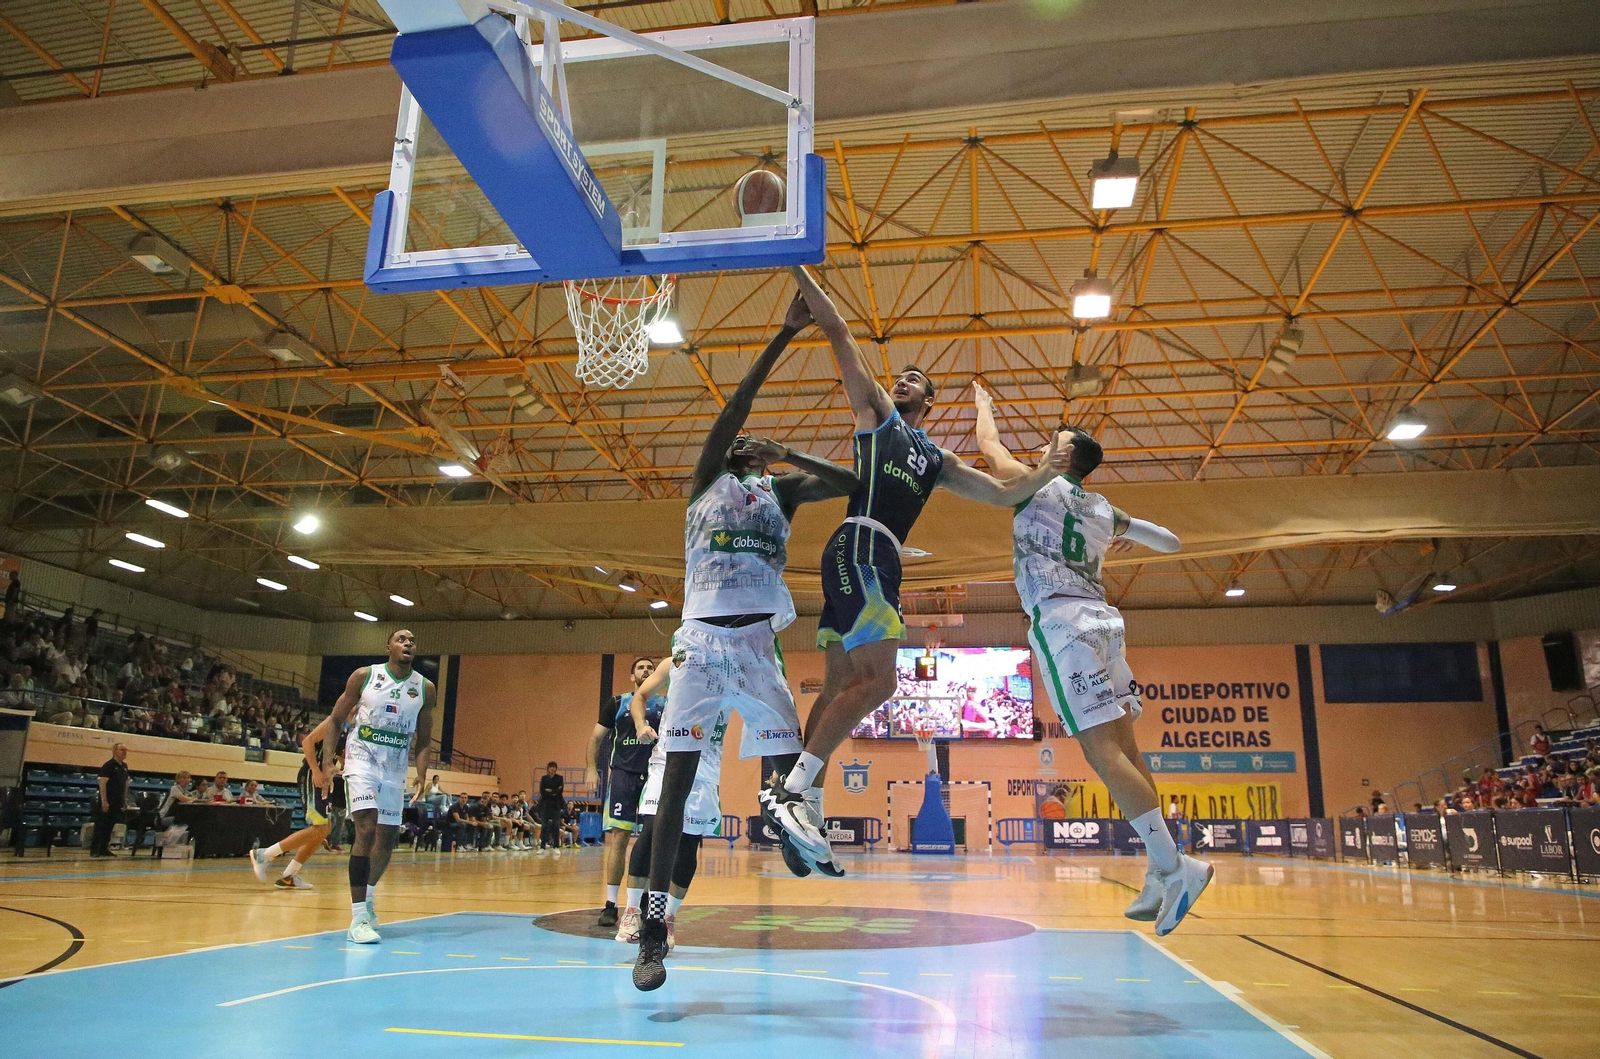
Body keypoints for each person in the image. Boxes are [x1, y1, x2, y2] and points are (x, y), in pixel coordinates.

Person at [762, 267, 1064, 872]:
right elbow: (841, 332)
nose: (901, 381)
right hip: (864, 548)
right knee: (883, 683)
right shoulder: (877, 415)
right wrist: (798, 262)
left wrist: (1049, 467)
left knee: (845, 681)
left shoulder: (936, 457)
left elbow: (1006, 495)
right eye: (900, 375)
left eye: (915, 381)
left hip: (861, 558)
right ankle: (793, 793)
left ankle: (800, 802)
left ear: (931, 402)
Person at [633, 290, 861, 991]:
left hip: (761, 647)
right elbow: (732, 411)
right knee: (673, 785)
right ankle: (650, 934)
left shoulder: (780, 493)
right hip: (700, 647)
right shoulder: (706, 483)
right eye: (737, 443)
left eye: (748, 446)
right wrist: (785, 333)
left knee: (790, 773)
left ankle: (795, 833)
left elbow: (853, 483)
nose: (738, 442)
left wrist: (786, 453)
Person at [969, 397, 1209, 937]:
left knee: (1101, 753)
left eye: (1051, 442)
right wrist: (1122, 529)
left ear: (1065, 453)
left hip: (1062, 620)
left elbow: (989, 447)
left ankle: (1175, 868)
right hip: (1105, 621)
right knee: (1126, 748)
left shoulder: (1035, 484)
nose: (1042, 447)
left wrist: (983, 406)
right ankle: (1158, 865)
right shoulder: (1102, 509)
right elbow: (1169, 542)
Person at [322, 629, 436, 944]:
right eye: (401, 639)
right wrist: (328, 761)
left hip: (395, 767)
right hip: (361, 759)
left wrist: (422, 774)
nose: (409, 643)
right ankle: (357, 918)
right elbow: (334, 719)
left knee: (386, 838)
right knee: (366, 829)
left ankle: (368, 899)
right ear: (388, 646)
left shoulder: (425, 688)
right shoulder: (364, 676)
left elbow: (424, 739)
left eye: (413, 640)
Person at [586, 656, 664, 927]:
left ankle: (643, 901)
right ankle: (610, 904)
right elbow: (596, 737)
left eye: (650, 668)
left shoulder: (665, 705)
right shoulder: (618, 703)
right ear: (632, 676)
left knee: (652, 841)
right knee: (619, 838)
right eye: (640, 668)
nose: (646, 670)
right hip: (622, 776)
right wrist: (590, 769)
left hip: (654, 777)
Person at [250, 715, 335, 888]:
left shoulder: (353, 727)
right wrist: (316, 770)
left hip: (323, 776)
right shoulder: (335, 720)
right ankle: (265, 854)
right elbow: (307, 742)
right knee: (319, 827)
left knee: (325, 828)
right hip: (312, 774)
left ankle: (288, 876)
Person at [91, 742, 130, 857]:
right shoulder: (109, 765)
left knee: (110, 825)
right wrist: (104, 800)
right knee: (101, 825)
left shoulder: (124, 766)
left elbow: (124, 785)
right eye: (122, 750)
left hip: (117, 801)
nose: (124, 752)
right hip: (108, 799)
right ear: (114, 751)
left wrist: (124, 799)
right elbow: (102, 783)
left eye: (126, 750)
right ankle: (95, 849)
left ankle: (104, 848)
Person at [537, 764, 565, 857]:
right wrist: (554, 791)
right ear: (548, 769)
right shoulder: (544, 778)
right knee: (544, 826)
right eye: (550, 767)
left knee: (556, 826)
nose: (552, 769)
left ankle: (556, 847)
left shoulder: (560, 778)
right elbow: (542, 791)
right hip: (545, 805)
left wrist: (551, 791)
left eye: (554, 767)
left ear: (556, 769)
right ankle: (542, 847)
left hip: (556, 805)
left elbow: (560, 791)